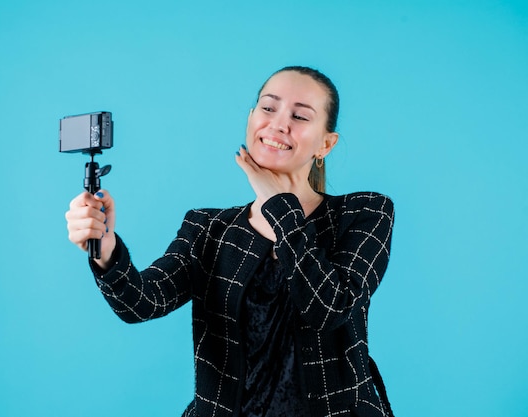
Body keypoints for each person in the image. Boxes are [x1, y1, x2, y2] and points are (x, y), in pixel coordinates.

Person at [65, 66, 395, 417]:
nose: (279, 124)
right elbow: (139, 304)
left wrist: (278, 206)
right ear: (251, 118)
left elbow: (328, 307)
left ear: (326, 144)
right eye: (268, 108)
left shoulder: (365, 213)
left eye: (300, 116)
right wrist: (106, 248)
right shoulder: (208, 227)